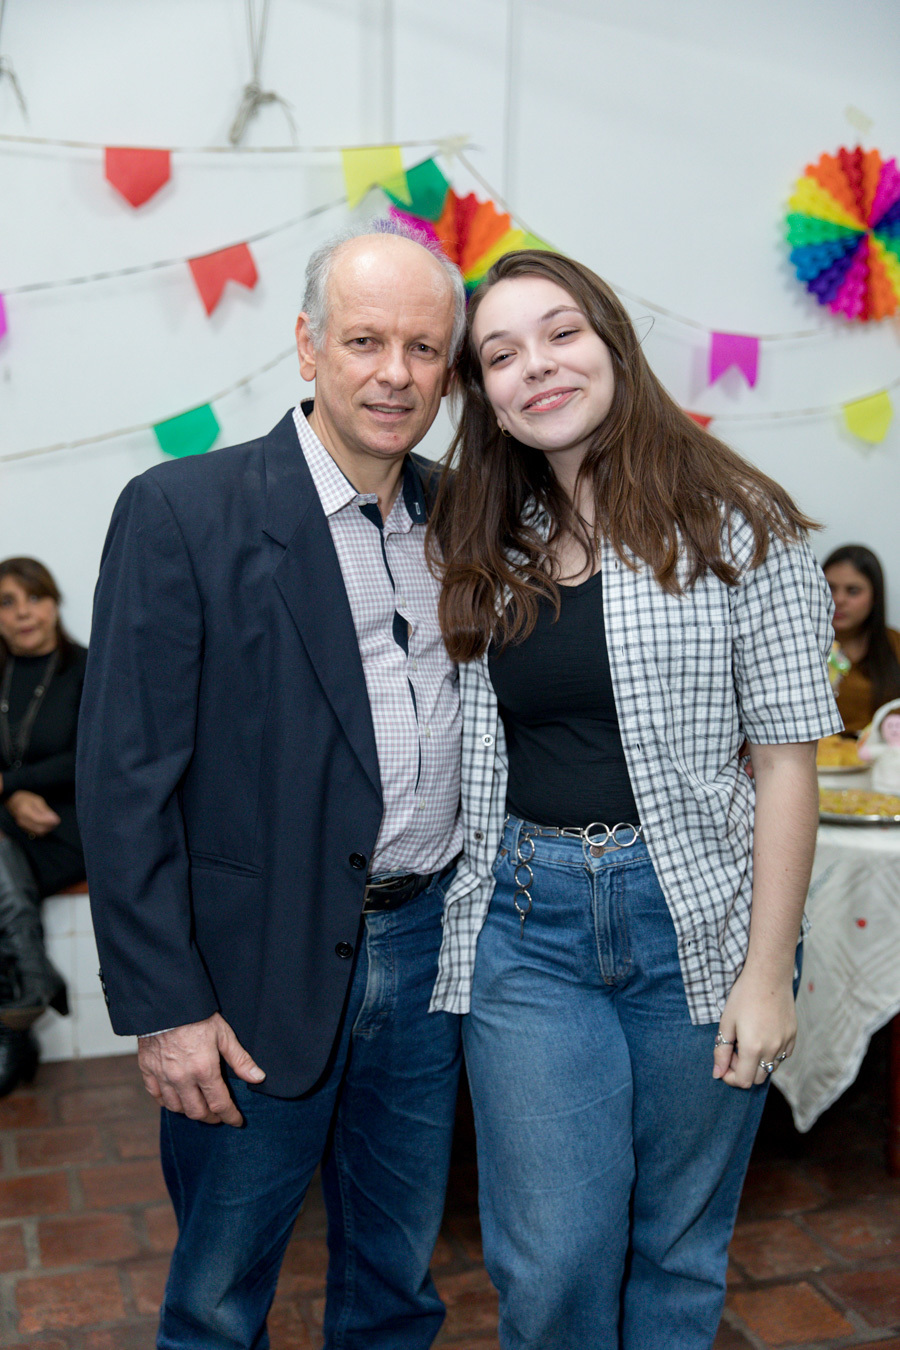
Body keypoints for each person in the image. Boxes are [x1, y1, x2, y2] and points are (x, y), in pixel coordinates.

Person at [427, 249, 843, 1350]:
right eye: (501, 354)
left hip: (699, 919)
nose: (537, 366)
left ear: (612, 344)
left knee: (676, 1247)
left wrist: (768, 973)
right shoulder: (480, 538)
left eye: (561, 333)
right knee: (553, 1258)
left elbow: (786, 764)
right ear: (486, 397)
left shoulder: (740, 523)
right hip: (529, 926)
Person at [76, 223, 467, 1350]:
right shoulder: (182, 510)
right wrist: (165, 1009)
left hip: (428, 951)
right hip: (252, 972)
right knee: (217, 1298)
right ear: (307, 346)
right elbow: (123, 783)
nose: (395, 375)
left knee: (397, 1283)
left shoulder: (465, 514)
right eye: (364, 341)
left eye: (424, 349)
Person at [0, 557, 77, 1094]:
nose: (23, 612)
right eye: (7, 602)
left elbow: (92, 756)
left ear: (54, 603)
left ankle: (18, 1020)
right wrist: (11, 798)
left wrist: (11, 786)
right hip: (9, 828)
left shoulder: (89, 668)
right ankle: (28, 990)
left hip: (66, 827)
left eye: (35, 597)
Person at [822, 544, 900, 733]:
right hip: (814, 750)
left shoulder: (895, 644)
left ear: (875, 597)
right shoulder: (799, 644)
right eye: (830, 588)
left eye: (853, 591)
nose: (838, 599)